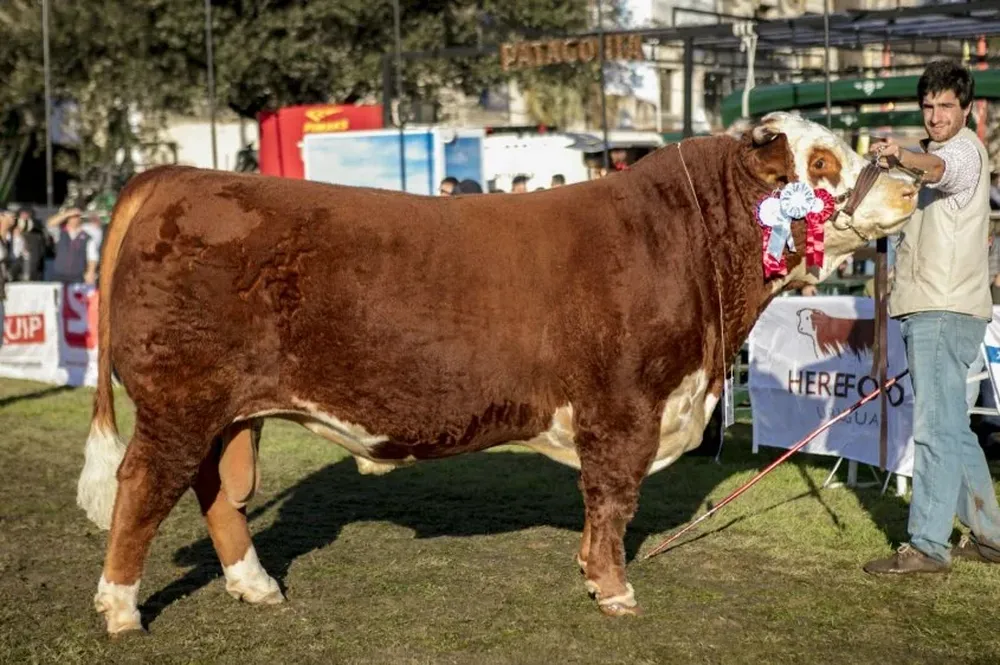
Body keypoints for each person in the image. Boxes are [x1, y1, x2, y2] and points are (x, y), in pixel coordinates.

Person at [863, 60, 1000, 575]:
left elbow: (941, 171)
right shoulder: (933, 152)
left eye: (947, 106)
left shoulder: (961, 151)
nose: (937, 115)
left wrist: (902, 153)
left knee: (934, 430)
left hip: (943, 306)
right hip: (938, 304)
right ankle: (990, 535)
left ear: (966, 109)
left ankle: (926, 545)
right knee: (953, 429)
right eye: (929, 106)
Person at [47, 207, 99, 285]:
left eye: (77, 216)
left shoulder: (87, 236)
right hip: (59, 275)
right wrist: (67, 213)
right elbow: (49, 224)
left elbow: (92, 257)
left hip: (78, 276)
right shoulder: (60, 232)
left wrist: (90, 272)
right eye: (73, 217)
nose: (75, 219)